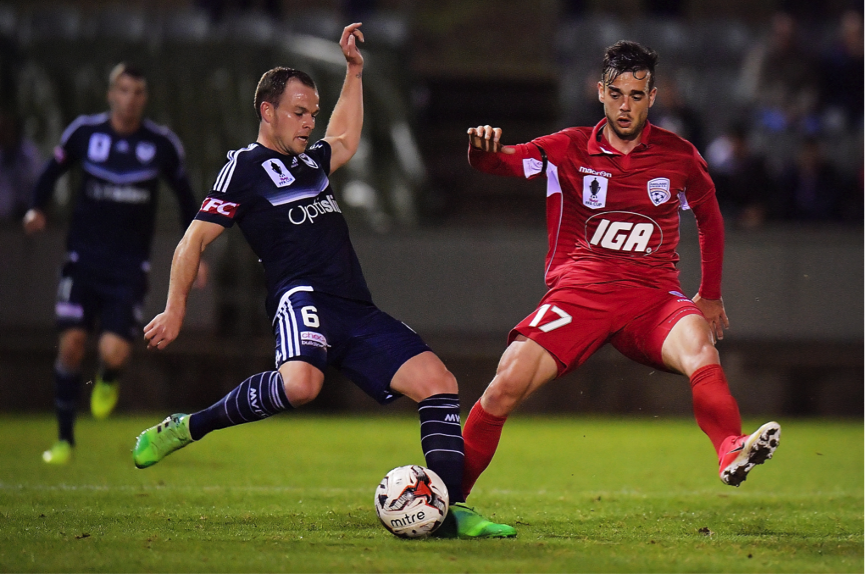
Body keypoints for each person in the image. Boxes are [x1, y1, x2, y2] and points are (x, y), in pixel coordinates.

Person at [132, 23, 514, 539]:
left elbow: (346, 137)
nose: (309, 123)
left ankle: (450, 509)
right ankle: (187, 426)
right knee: (301, 385)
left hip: (355, 306)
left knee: (439, 384)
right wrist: (176, 309)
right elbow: (192, 241)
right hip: (301, 298)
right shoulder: (245, 167)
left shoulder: (312, 163)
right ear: (266, 111)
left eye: (312, 113)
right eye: (299, 112)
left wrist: (354, 71)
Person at [462, 41, 781, 507]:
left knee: (699, 344)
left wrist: (709, 295)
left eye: (636, 94)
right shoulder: (567, 148)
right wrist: (479, 149)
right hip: (580, 294)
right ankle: (449, 495)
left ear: (653, 96)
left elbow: (711, 219)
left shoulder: (680, 156)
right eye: (616, 93)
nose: (625, 105)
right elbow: (500, 161)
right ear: (600, 93)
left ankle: (730, 447)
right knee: (506, 381)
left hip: (652, 297)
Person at [23, 63, 203, 464]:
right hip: (82, 261)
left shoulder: (161, 144)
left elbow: (188, 200)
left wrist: (198, 251)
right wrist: (36, 208)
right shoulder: (84, 133)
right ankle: (65, 440)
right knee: (70, 344)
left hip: (127, 267)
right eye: (123, 90)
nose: (130, 99)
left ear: (145, 98)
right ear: (111, 94)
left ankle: (108, 377)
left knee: (115, 352)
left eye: (137, 92)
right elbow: (51, 173)